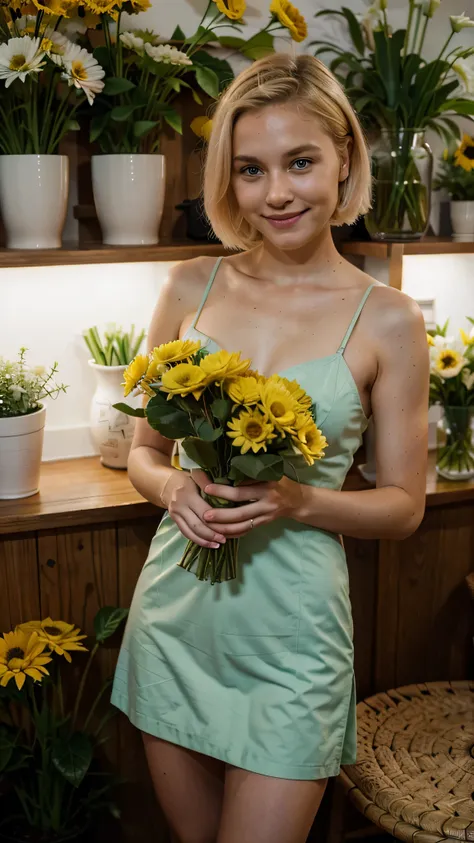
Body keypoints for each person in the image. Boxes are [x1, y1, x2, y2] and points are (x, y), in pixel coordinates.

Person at [111, 52, 429, 843]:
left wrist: (299, 499)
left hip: (294, 637)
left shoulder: (388, 318)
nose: (277, 192)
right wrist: (169, 488)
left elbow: (405, 507)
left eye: (301, 162)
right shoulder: (190, 285)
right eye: (251, 169)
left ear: (344, 159)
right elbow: (145, 451)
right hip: (176, 617)